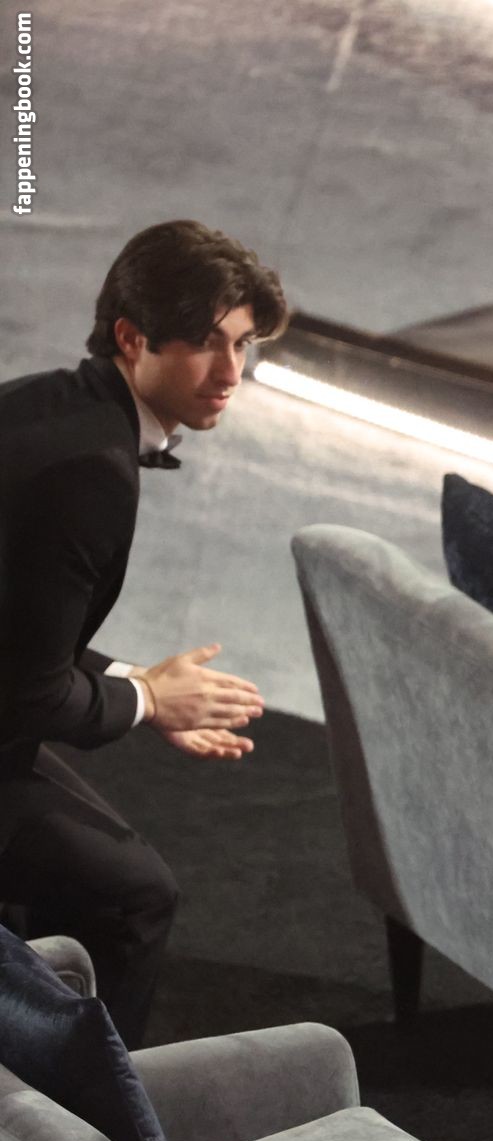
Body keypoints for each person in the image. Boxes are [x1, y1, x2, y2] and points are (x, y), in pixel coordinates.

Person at [0, 220, 285, 1047]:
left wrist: (143, 685)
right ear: (132, 338)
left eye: (242, 344)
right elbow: (30, 692)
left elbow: (20, 634)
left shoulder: (47, 404)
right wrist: (148, 700)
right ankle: (91, 1119)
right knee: (135, 895)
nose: (231, 372)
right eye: (205, 343)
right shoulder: (90, 470)